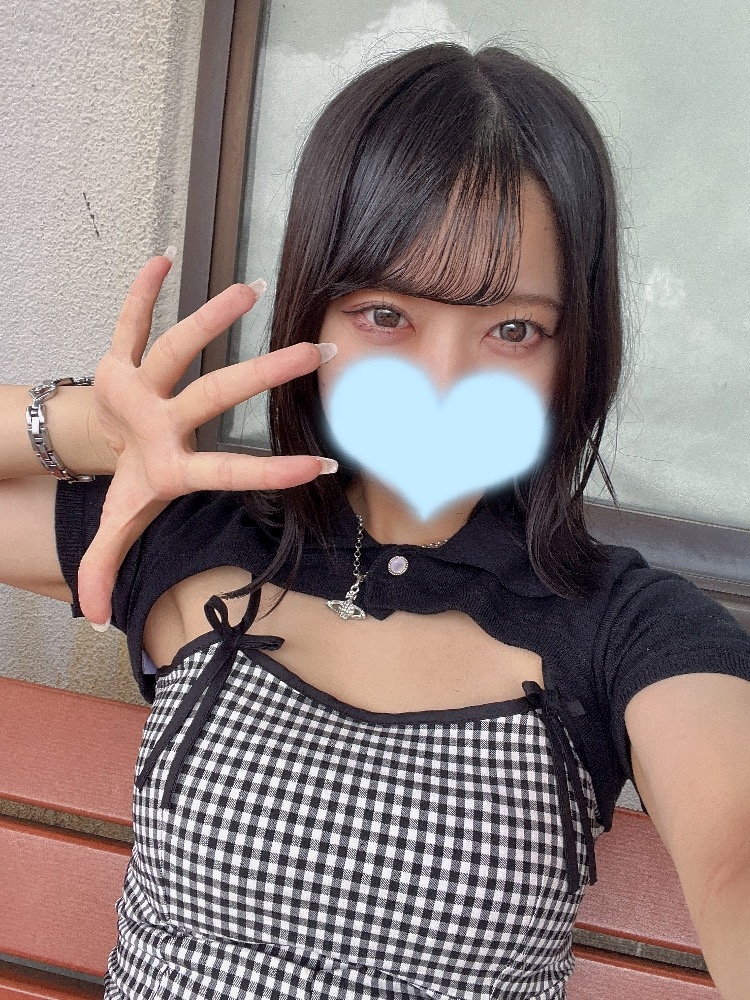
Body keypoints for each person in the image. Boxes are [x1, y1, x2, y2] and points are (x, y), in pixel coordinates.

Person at [1, 42, 749, 1000]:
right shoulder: (196, 534)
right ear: (314, 312)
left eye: (513, 329)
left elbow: (733, 859)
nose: (442, 383)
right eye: (387, 314)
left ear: (575, 353)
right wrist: (86, 428)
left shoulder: (626, 628)